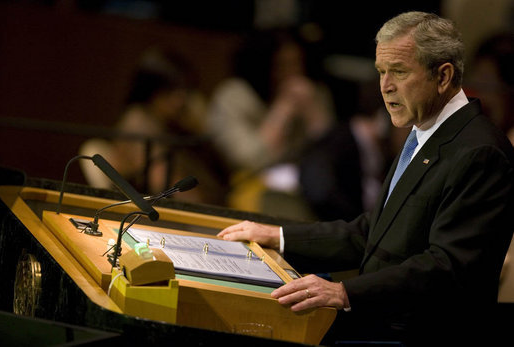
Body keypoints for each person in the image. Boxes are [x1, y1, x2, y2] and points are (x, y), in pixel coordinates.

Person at [217, 12, 514, 344]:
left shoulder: (479, 152)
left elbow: (448, 266)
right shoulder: (425, 134)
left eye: (399, 72)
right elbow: (375, 233)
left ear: (443, 76)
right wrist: (280, 236)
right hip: (384, 322)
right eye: (381, 72)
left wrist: (345, 292)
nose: (385, 87)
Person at [206, 28, 363, 221]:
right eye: (283, 65)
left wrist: (314, 113)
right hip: (251, 188)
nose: (293, 73)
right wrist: (283, 110)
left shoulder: (314, 93)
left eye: (297, 63)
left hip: (307, 188)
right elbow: (251, 161)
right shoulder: (235, 96)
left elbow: (334, 154)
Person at [80, 48, 229, 205]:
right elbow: (166, 184)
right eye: (171, 91)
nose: (181, 100)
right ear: (152, 90)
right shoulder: (138, 122)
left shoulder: (173, 123)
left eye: (185, 90)